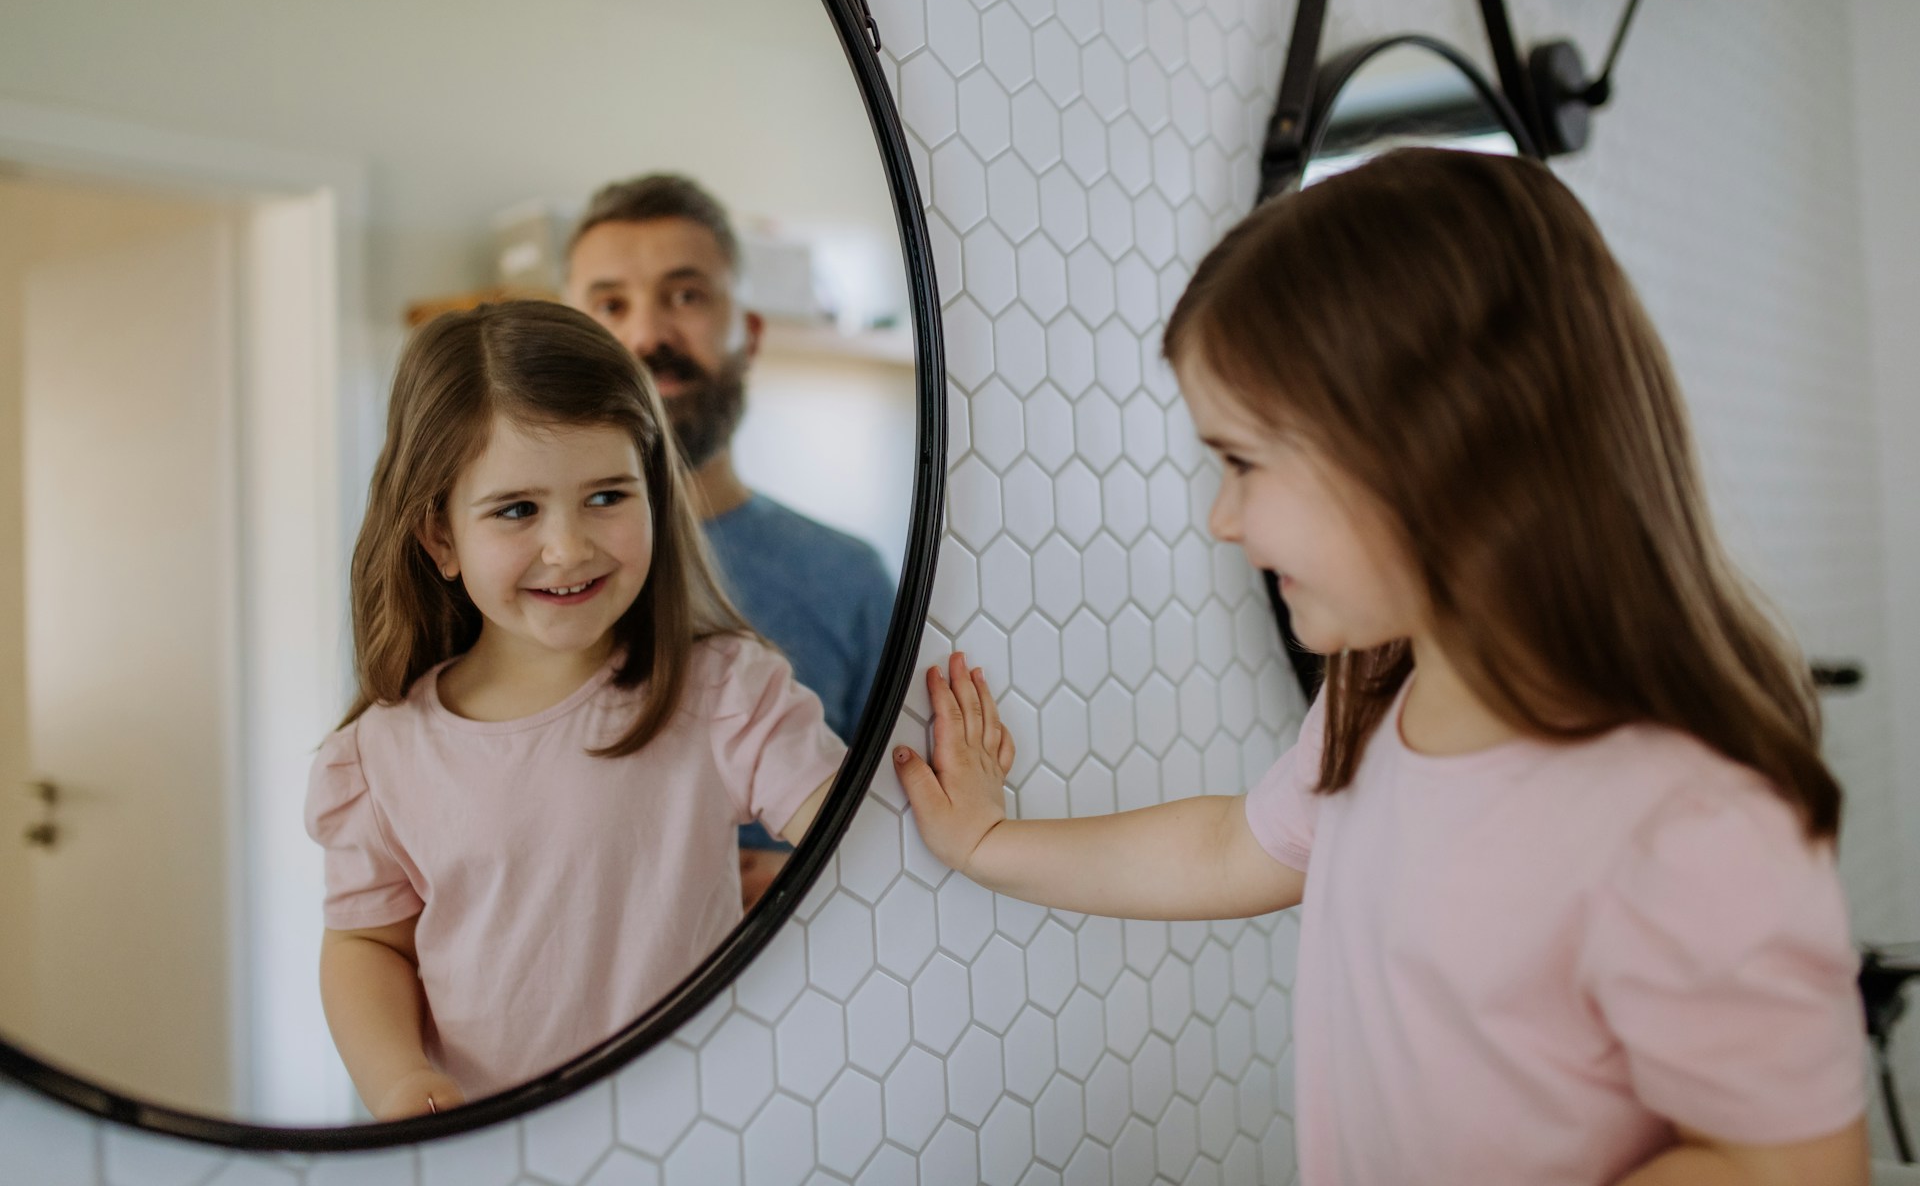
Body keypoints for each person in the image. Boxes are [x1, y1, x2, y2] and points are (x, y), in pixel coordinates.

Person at [895, 150, 1869, 1184]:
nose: (1223, 519)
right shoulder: (1386, 690)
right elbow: (1234, 847)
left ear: (1431, 450)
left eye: (1242, 462)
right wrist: (991, 840)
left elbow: (1788, 1166)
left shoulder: (1684, 814)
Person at [304, 301, 844, 1119]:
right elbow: (367, 944)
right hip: (497, 1153)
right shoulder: (380, 760)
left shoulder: (725, 696)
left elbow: (859, 841)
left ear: (654, 496)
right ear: (440, 539)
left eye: (606, 496)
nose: (569, 546)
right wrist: (397, 1079)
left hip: (705, 1129)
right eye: (516, 510)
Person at [563, 174, 894, 902]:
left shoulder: (850, 580)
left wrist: (812, 885)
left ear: (748, 331)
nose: (648, 335)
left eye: (686, 296)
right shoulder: (519, 581)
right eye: (611, 304)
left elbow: (906, 821)